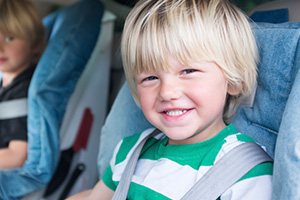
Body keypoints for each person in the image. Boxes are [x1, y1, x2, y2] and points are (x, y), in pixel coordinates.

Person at [69, 0, 273, 199]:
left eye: (188, 71)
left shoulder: (246, 173)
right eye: (150, 78)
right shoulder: (131, 151)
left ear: (233, 81)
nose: (166, 92)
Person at [0, 0, 45, 168]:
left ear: (35, 44)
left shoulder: (23, 91)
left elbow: (17, 155)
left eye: (9, 38)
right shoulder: (7, 83)